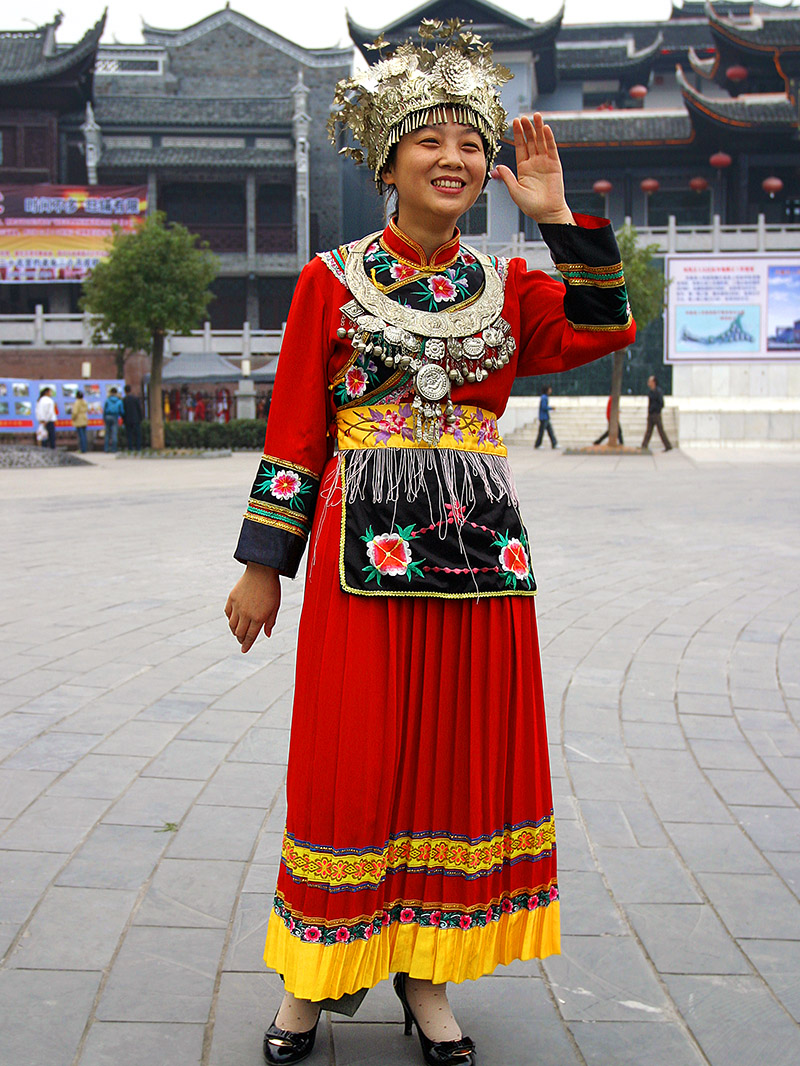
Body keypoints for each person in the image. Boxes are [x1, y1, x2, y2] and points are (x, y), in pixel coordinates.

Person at [225, 19, 635, 1066]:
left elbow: (602, 328)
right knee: (348, 766)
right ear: (387, 160)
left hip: (479, 563)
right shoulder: (331, 278)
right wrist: (262, 564)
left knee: (454, 771)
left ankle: (429, 977)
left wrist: (551, 219)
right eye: (430, 140)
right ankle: (313, 982)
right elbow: (296, 430)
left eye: (469, 142)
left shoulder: (506, 286)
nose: (453, 159)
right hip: (365, 561)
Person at [641, 375, 672, 451]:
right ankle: (644, 445)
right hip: (651, 414)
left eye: (650, 381)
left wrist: (656, 410)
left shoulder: (658, 391)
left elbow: (661, 403)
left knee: (661, 430)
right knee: (649, 430)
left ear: (654, 382)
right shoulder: (651, 392)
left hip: (656, 414)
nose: (648, 383)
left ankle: (668, 445)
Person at [123, 384, 143, 451]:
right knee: (137, 434)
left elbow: (123, 410)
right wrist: (141, 418)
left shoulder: (124, 400)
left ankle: (130, 447)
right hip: (136, 419)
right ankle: (138, 447)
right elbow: (139, 409)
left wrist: (124, 419)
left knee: (129, 435)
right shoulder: (135, 398)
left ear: (125, 391)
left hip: (127, 419)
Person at [103, 386, 123, 453]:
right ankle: (114, 449)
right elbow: (122, 411)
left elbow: (104, 410)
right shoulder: (119, 401)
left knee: (107, 433)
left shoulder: (107, 400)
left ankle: (106, 448)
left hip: (108, 416)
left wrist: (104, 418)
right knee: (114, 434)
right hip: (115, 417)